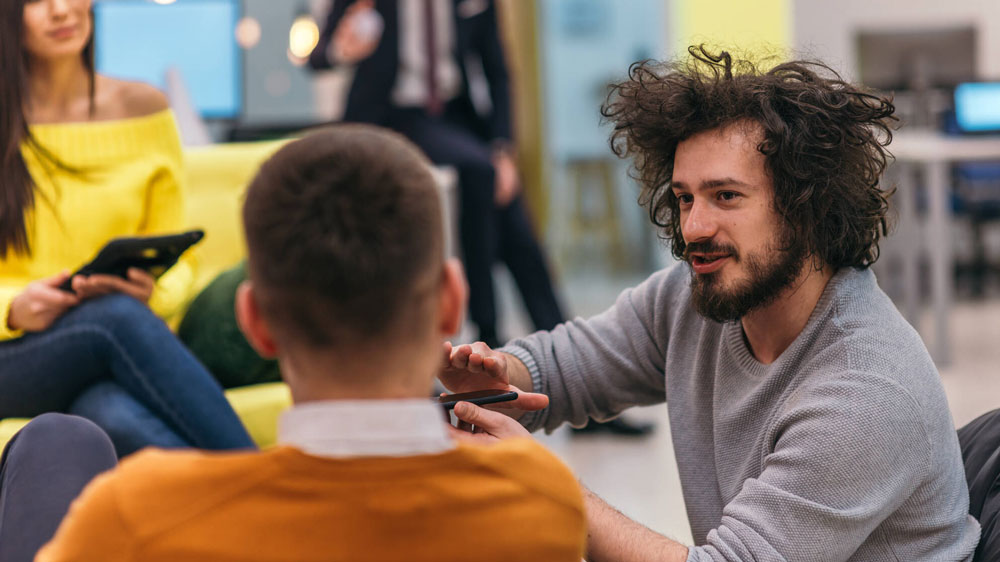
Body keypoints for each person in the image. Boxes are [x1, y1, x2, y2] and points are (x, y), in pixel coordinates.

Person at [440, 47, 982, 561]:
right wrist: (496, 380)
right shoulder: (695, 298)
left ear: (807, 207)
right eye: (684, 198)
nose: (694, 227)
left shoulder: (865, 390)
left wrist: (547, 489)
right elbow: (565, 368)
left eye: (726, 196)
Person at [29, 125, 587, 561]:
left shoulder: (135, 513)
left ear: (254, 321)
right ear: (451, 299)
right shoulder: (542, 500)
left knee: (58, 436)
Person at [0, 0, 254, 456]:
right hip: (13, 353)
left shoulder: (144, 109)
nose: (60, 10)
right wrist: (14, 307)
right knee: (114, 318)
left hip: (107, 343)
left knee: (109, 412)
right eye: (36, 1)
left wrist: (153, 292)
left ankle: (250, 515)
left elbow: (179, 260)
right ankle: (273, 489)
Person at [307, 0, 564, 349]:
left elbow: (497, 70)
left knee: (514, 222)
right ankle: (487, 334)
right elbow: (318, 56)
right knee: (477, 171)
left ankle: (563, 349)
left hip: (456, 118)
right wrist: (342, 48)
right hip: (390, 117)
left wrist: (503, 150)